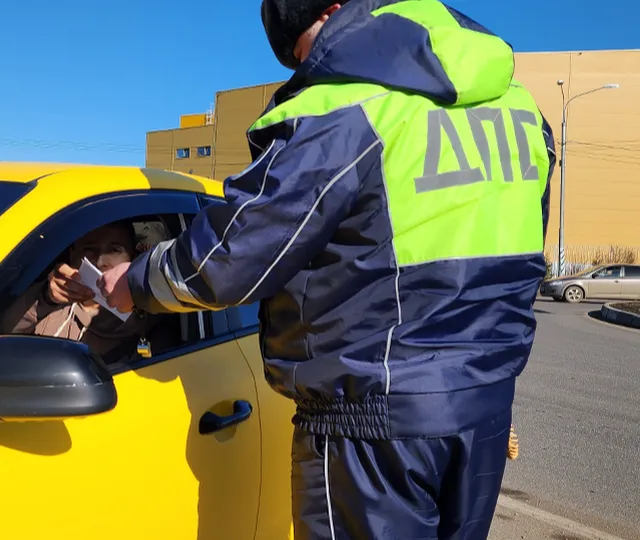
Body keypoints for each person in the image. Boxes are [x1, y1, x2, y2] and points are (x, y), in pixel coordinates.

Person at [99, 1, 555, 538]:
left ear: (339, 10)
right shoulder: (522, 112)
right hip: (482, 403)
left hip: (373, 419)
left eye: (307, 50)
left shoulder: (347, 109)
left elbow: (232, 253)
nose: (312, 68)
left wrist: (134, 282)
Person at [0, 220, 174, 365]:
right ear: (72, 254)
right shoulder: (50, 301)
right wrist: (46, 298)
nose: (101, 260)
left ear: (131, 259)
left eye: (115, 249)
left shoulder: (152, 311)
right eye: (89, 249)